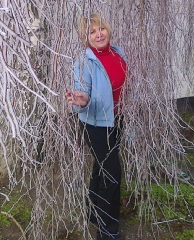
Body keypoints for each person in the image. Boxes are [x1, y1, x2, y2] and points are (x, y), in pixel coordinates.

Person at [65, 13, 127, 240]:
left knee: (101, 167)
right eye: (92, 31)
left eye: (101, 28)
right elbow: (81, 97)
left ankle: (93, 211)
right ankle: (107, 231)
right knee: (112, 173)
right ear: (86, 37)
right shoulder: (85, 61)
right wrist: (83, 101)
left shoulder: (118, 53)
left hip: (118, 119)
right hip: (96, 124)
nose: (98, 34)